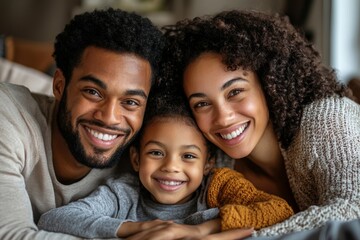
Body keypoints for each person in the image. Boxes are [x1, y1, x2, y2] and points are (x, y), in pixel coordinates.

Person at [158, 9, 360, 238]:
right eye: (202, 104)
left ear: (267, 82)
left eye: (235, 92)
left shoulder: (328, 118)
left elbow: (352, 210)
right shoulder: (216, 164)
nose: (223, 118)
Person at [37, 86, 293, 239]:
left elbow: (279, 211)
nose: (171, 167)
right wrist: (140, 229)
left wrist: (201, 232)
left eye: (189, 156)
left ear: (207, 164)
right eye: (156, 153)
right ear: (136, 159)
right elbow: (54, 219)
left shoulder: (219, 187)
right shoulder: (124, 194)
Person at [0, 8, 164, 240]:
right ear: (59, 85)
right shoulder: (7, 115)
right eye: (93, 92)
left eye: (130, 102)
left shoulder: (148, 153)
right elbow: (9, 235)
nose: (109, 117)